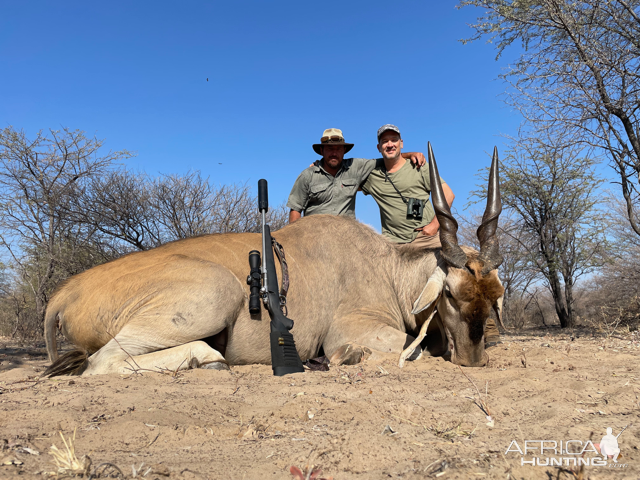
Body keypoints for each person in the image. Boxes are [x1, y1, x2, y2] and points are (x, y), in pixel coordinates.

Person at [362, 124, 501, 347]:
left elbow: (449, 194)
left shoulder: (419, 167)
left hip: (427, 238)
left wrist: (435, 225)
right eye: (385, 142)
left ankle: (488, 324)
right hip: (394, 247)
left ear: (401, 143)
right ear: (379, 147)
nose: (390, 144)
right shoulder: (372, 174)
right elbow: (346, 178)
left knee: (462, 273)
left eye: (394, 140)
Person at [286, 128, 425, 223]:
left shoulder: (356, 166)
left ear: (344, 150)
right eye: (329, 149)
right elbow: (295, 210)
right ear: (321, 150)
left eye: (338, 148)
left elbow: (387, 158)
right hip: (315, 238)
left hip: (347, 240)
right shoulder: (307, 175)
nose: (334, 153)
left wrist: (409, 154)